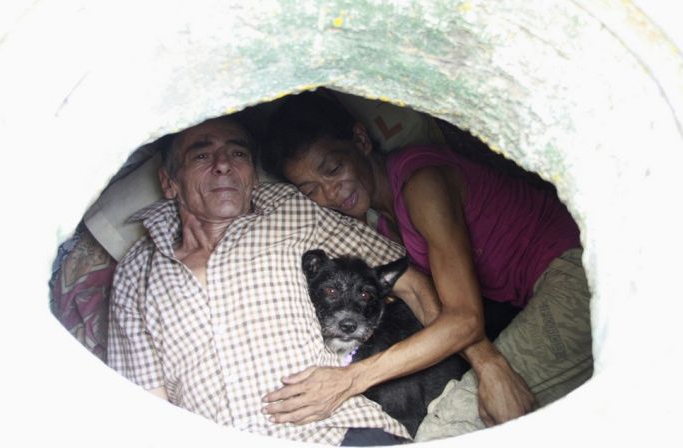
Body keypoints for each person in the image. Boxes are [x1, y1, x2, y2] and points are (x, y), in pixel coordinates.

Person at [107, 115, 464, 446]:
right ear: (169, 182)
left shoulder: (292, 210)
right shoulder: (136, 273)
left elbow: (412, 285)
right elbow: (147, 407)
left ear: (253, 177)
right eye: (201, 155)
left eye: (238, 153)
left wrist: (484, 363)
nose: (223, 164)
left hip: (338, 432)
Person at [260, 89, 593, 440]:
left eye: (333, 169)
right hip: (529, 299)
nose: (330, 193)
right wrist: (486, 362)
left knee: (447, 428)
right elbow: (430, 301)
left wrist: (349, 380)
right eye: (311, 190)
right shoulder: (383, 224)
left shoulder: (422, 185)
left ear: (361, 140)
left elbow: (464, 318)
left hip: (574, 272)